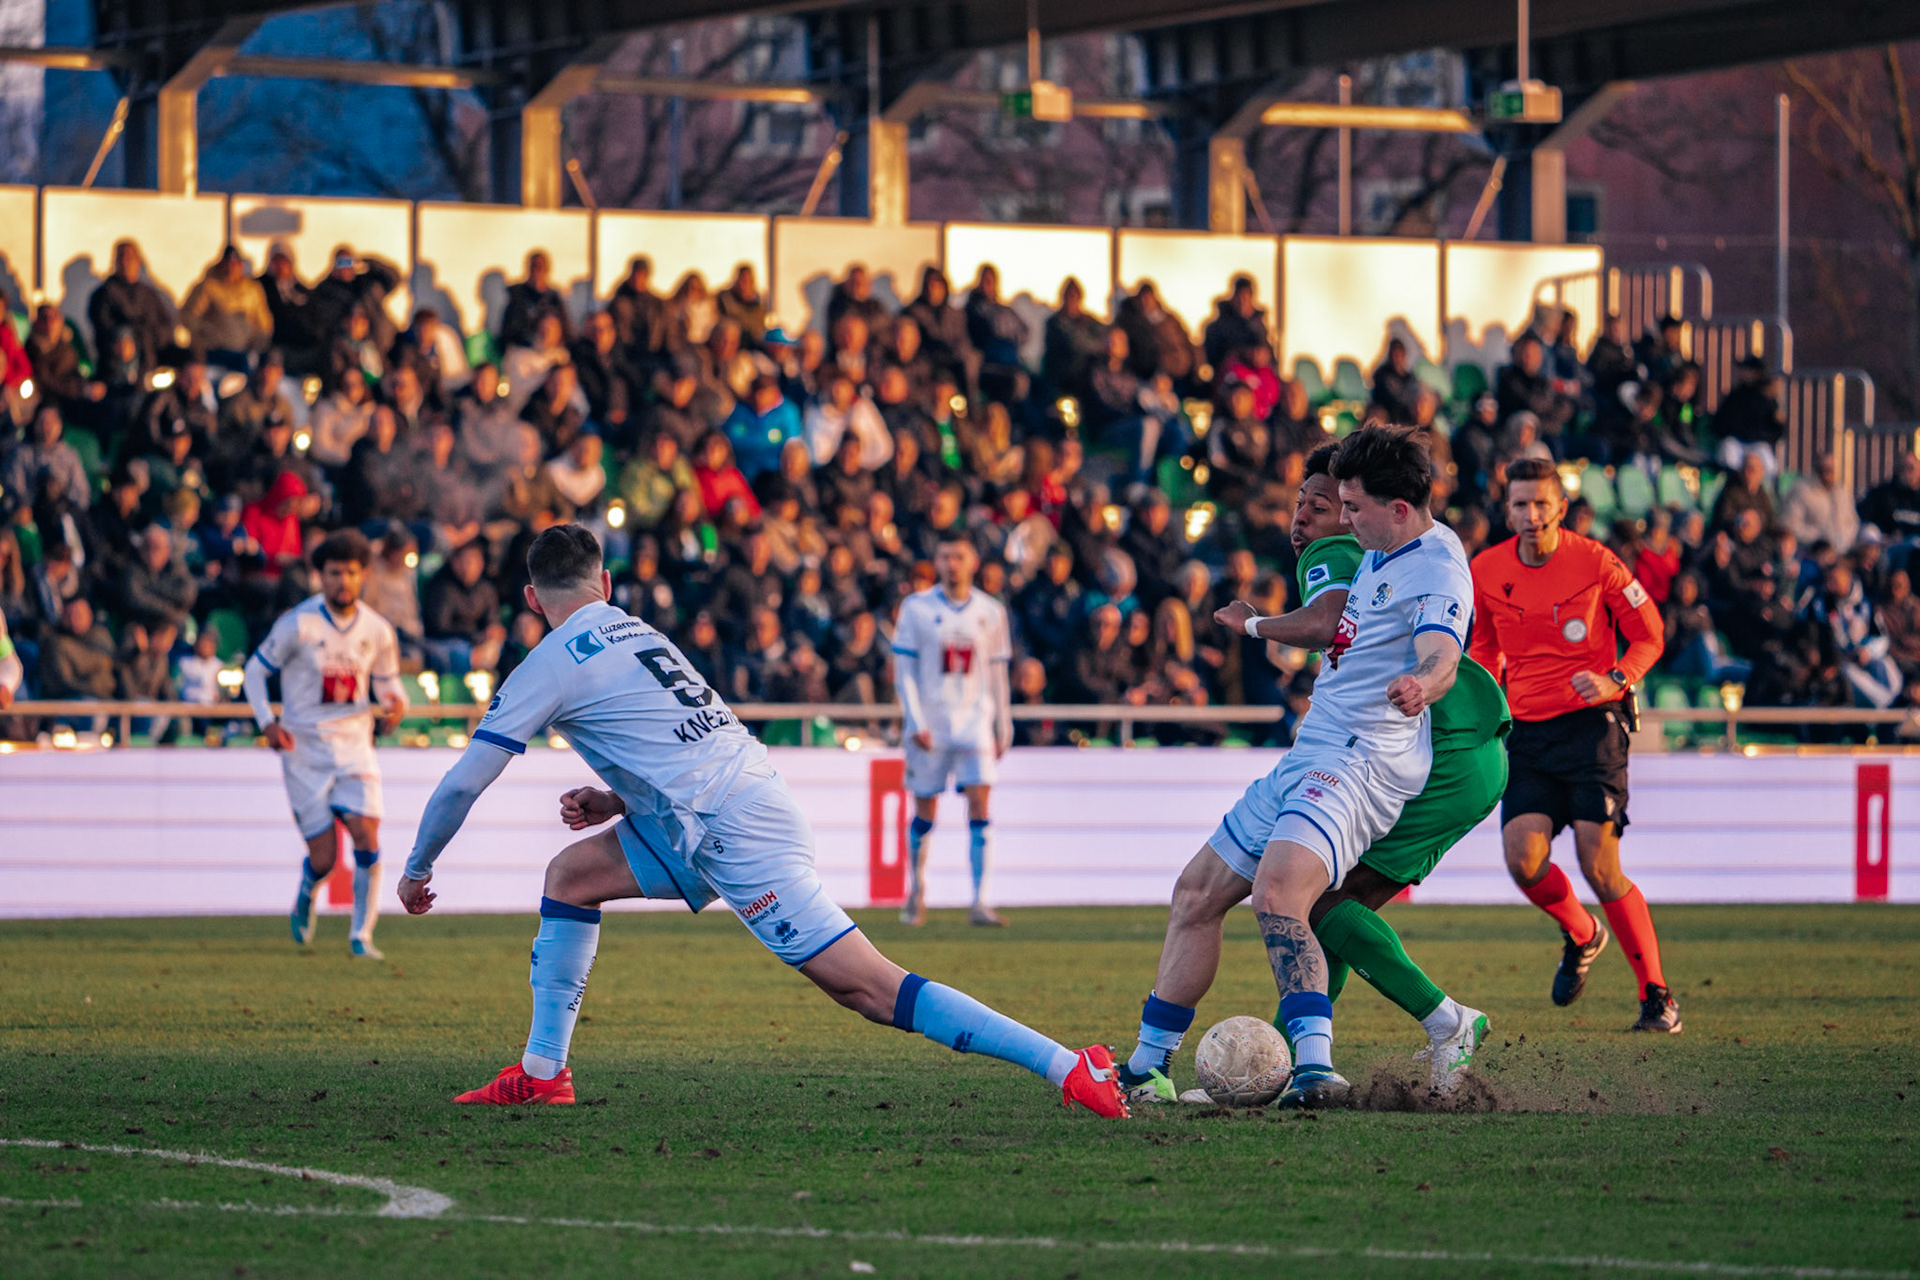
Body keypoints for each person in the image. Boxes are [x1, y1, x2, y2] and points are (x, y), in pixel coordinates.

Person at [392, 523, 1126, 1117]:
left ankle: (1069, 1065)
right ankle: (543, 1072)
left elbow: (463, 783)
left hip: (731, 830)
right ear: (605, 585)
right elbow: (682, 739)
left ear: (531, 598)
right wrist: (619, 801)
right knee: (572, 875)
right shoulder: (638, 632)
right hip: (719, 808)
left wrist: (419, 867)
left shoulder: (548, 663)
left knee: (869, 990)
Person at [1120, 441, 1502, 1105]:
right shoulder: (1385, 544)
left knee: (1282, 896)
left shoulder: (1437, 570)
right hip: (1314, 749)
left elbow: (1441, 651)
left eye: (1351, 507)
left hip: (1361, 761)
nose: (1342, 521)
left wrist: (1423, 683)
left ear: (1400, 508)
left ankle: (1315, 1069)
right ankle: (1146, 1068)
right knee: (1196, 893)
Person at [1469, 457, 1679, 1033]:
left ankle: (1657, 996)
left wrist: (1616, 679)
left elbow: (1650, 635)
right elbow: (1484, 650)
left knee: (1599, 866)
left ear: (1561, 508)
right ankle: (1584, 933)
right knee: (1522, 861)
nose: (1531, 514)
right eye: (1520, 504)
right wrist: (1484, 707)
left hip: (1593, 727)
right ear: (1507, 510)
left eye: (1542, 503)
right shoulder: (1485, 569)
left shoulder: (1597, 561)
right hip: (1528, 732)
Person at [242, 530, 408, 958]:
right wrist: (267, 722)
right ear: (320, 576)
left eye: (351, 573)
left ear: (363, 575)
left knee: (366, 835)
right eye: (334, 573)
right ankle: (307, 889)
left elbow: (387, 682)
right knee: (324, 860)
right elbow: (254, 672)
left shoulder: (377, 629)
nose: (343, 581)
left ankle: (361, 935)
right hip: (305, 752)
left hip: (355, 747)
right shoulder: (298, 624)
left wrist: (394, 703)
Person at [890, 533, 1014, 928]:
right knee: (925, 809)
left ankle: (980, 901)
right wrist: (914, 719)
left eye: (959, 556)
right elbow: (904, 670)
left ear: (973, 561)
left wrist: (1003, 722)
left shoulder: (991, 611)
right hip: (932, 723)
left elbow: (997, 671)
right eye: (945, 557)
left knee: (980, 804)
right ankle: (916, 891)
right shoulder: (916, 608)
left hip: (975, 721)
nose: (952, 564)